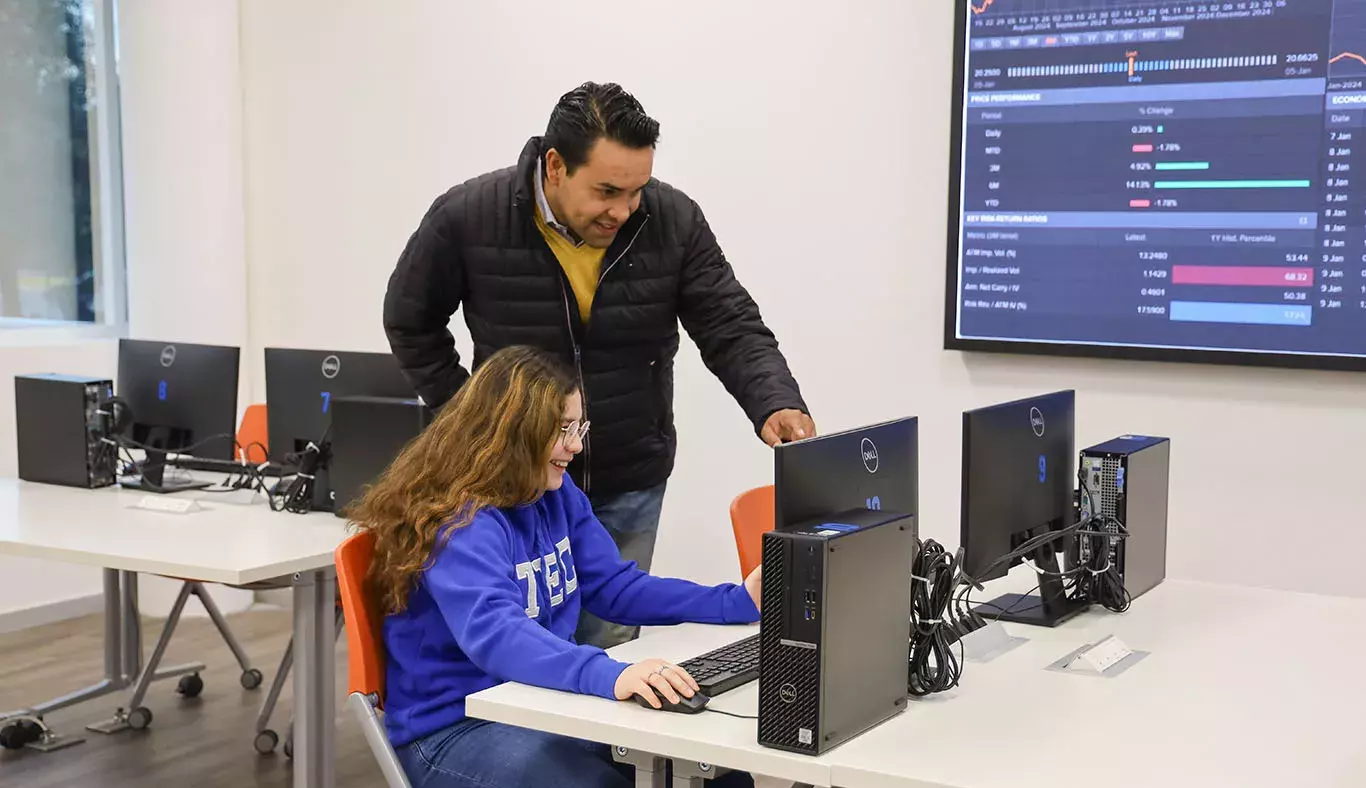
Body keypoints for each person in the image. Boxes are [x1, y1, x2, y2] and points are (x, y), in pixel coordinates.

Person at [382, 81, 813, 649]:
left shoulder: (672, 219)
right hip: (510, 486)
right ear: (555, 167)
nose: (623, 210)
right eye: (608, 191)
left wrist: (774, 399)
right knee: (523, 652)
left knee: (612, 648)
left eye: (637, 190)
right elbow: (410, 321)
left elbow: (729, 322)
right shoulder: (468, 218)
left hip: (628, 474)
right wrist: (477, 421)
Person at [347, 345, 761, 788]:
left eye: (578, 426)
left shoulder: (555, 494)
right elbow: (498, 635)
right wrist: (609, 673)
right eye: (562, 430)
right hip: (455, 725)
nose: (576, 445)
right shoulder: (461, 522)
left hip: (539, 703)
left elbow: (614, 587)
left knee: (719, 776)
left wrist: (736, 601)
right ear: (514, 433)